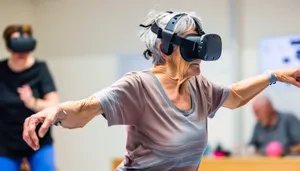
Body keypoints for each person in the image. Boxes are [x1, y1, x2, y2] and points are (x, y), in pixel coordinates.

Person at [22, 11, 300, 171]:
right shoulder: (138, 86)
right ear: (165, 49)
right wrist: (56, 110)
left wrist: (276, 75)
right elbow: (83, 111)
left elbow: (235, 95)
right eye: (192, 47)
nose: (199, 56)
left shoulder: (198, 86)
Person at [0, 24, 59, 171]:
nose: (21, 53)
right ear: (8, 46)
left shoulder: (40, 69)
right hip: (6, 144)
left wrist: (32, 102)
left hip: (39, 140)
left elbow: (54, 105)